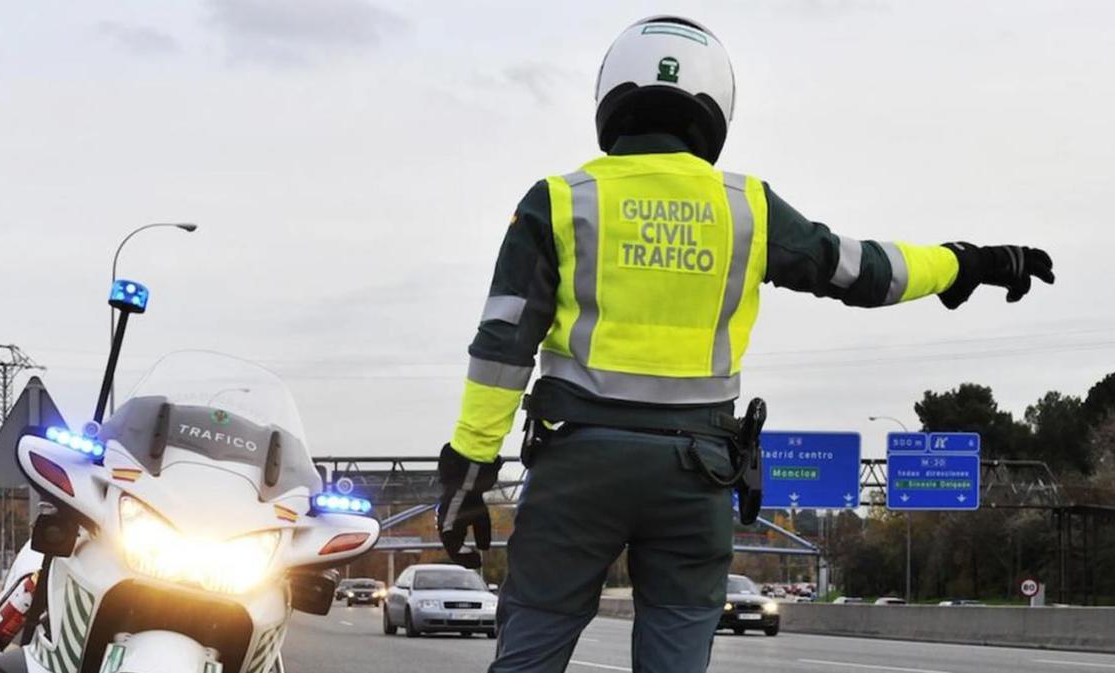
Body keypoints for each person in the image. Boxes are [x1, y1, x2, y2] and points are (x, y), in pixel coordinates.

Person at [435, 15, 1053, 673]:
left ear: (611, 96)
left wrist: (469, 470)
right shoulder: (746, 208)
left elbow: (502, 346)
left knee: (533, 644)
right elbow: (863, 269)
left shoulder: (559, 201)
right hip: (695, 474)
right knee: (676, 647)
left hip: (576, 467)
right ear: (714, 106)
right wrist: (966, 264)